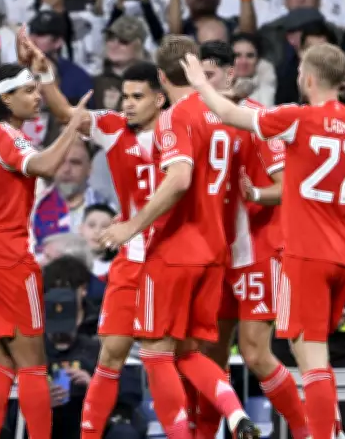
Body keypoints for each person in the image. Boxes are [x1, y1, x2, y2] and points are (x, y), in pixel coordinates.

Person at [178, 42, 345, 439]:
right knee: (320, 356)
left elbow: (229, 114)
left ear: (310, 78)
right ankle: (330, 432)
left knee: (311, 361)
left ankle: (320, 436)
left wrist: (199, 83)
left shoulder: (298, 118)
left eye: (300, 71)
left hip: (305, 255)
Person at [99, 34, 259, 439]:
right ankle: (234, 411)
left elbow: (180, 178)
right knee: (188, 351)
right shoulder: (225, 112)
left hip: (173, 250)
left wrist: (131, 226)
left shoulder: (175, 117)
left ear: (160, 78)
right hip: (215, 252)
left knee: (155, 352)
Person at [14, 32, 166, 439]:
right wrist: (42, 72)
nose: (127, 104)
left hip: (175, 255)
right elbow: (65, 112)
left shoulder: (183, 130)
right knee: (111, 354)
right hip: (135, 254)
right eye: (124, 97)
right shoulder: (114, 128)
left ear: (160, 98)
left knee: (178, 357)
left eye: (137, 97)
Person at [0, 56, 92, 439]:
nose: (37, 98)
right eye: (28, 91)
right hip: (7, 259)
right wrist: (72, 126)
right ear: (5, 98)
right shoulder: (9, 137)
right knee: (33, 366)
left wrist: (38, 70)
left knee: (1, 364)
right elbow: (47, 166)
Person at [191, 40, 307, 439]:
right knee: (211, 355)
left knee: (256, 353)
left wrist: (254, 194)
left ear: (229, 75)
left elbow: (287, 185)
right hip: (212, 256)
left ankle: (308, 430)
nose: (200, 85)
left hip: (257, 250)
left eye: (208, 76)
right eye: (196, 77)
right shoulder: (190, 119)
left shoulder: (258, 119)